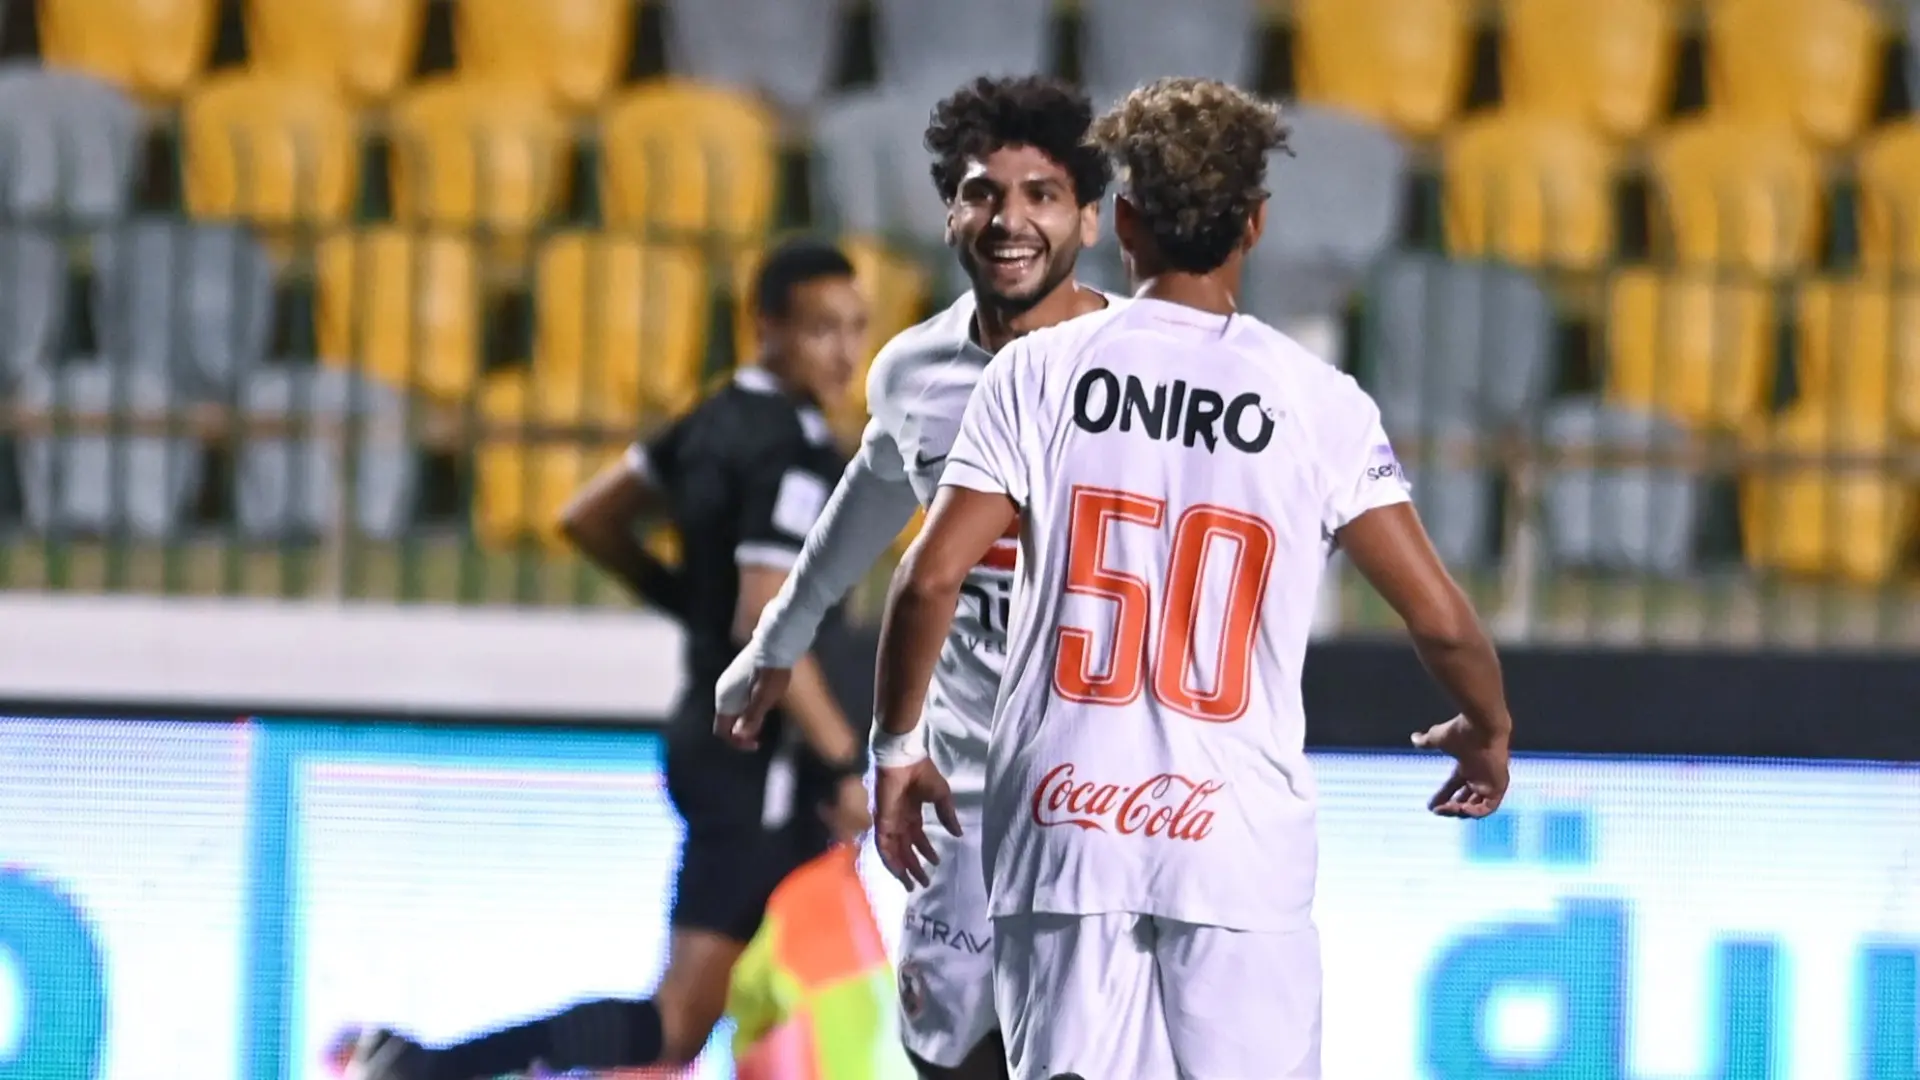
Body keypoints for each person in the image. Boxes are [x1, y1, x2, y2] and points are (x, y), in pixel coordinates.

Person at [868, 78, 1516, 1080]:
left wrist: (898, 748)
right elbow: (1440, 621)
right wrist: (1488, 726)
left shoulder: (1035, 373)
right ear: (1255, 223)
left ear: (1124, 221)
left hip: (1066, 827)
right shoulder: (1319, 403)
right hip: (1234, 839)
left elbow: (928, 580)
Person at [348, 238, 876, 1080]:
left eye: (856, 328)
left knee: (705, 1018)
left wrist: (687, 602)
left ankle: (421, 1066)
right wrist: (843, 760)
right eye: (822, 329)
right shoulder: (798, 452)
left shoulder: (709, 421)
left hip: (710, 737)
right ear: (765, 328)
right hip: (762, 760)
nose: (845, 352)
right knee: (688, 1019)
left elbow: (590, 517)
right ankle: (423, 1068)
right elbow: (766, 617)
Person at [713, 75, 1116, 1080]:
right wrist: (778, 642)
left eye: (1041, 195)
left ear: (1090, 219)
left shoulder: (1142, 371)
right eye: (984, 193)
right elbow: (866, 500)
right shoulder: (913, 371)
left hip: (1109, 800)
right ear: (950, 213)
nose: (1010, 219)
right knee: (949, 1057)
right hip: (959, 799)